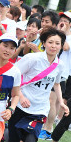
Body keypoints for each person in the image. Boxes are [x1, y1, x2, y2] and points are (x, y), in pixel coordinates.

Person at [8, 27, 69, 142]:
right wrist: (20, 97)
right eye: (50, 42)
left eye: (57, 43)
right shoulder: (32, 58)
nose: (53, 46)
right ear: (44, 43)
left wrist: (61, 102)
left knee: (30, 139)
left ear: (61, 46)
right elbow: (14, 76)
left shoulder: (59, 65)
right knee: (14, 138)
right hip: (20, 106)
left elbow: (56, 84)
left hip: (40, 110)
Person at [51, 11, 71, 142]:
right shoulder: (57, 34)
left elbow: (64, 47)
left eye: (65, 20)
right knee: (56, 100)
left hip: (64, 73)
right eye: (61, 19)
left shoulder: (68, 37)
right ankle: (50, 125)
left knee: (57, 101)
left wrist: (61, 32)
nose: (62, 22)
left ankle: (49, 126)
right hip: (53, 69)